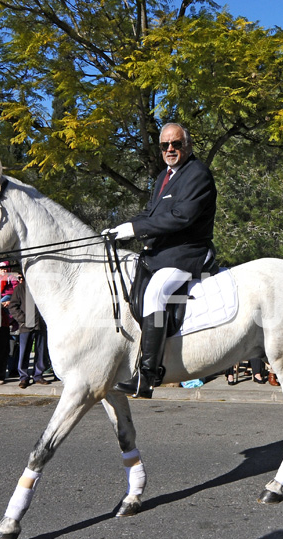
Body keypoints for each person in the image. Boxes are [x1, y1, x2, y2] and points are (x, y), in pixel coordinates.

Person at [104, 122, 217, 398]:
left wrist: (136, 230)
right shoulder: (163, 177)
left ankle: (148, 376)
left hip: (186, 253)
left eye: (176, 144)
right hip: (161, 252)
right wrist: (123, 227)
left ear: (187, 146)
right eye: (165, 145)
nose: (170, 149)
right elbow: (150, 214)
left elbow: (181, 217)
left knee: (155, 293)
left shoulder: (198, 174)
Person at [6, 274, 50, 388]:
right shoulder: (20, 288)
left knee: (41, 351)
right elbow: (13, 306)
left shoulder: (42, 287)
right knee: (24, 352)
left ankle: (38, 375)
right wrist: (23, 319)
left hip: (41, 325)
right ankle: (24, 377)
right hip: (26, 326)